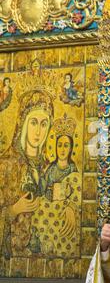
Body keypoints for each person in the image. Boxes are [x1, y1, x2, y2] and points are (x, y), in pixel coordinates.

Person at [0, 89, 53, 259]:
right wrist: (13, 210)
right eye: (33, 122)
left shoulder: (49, 167)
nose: (38, 131)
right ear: (23, 123)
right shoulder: (6, 163)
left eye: (44, 124)